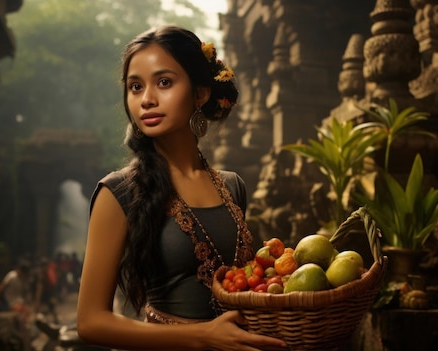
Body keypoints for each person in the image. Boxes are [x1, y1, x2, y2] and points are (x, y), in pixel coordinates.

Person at [76, 25, 288, 351]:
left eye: (164, 82)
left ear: (200, 93)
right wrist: (203, 337)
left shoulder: (232, 186)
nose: (147, 99)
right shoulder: (118, 193)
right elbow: (90, 322)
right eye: (135, 86)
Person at [0, 258, 33, 323]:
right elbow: (1, 287)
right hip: (9, 300)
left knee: (26, 311)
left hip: (18, 300)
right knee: (23, 310)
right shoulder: (12, 275)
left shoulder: (24, 279)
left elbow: (26, 292)